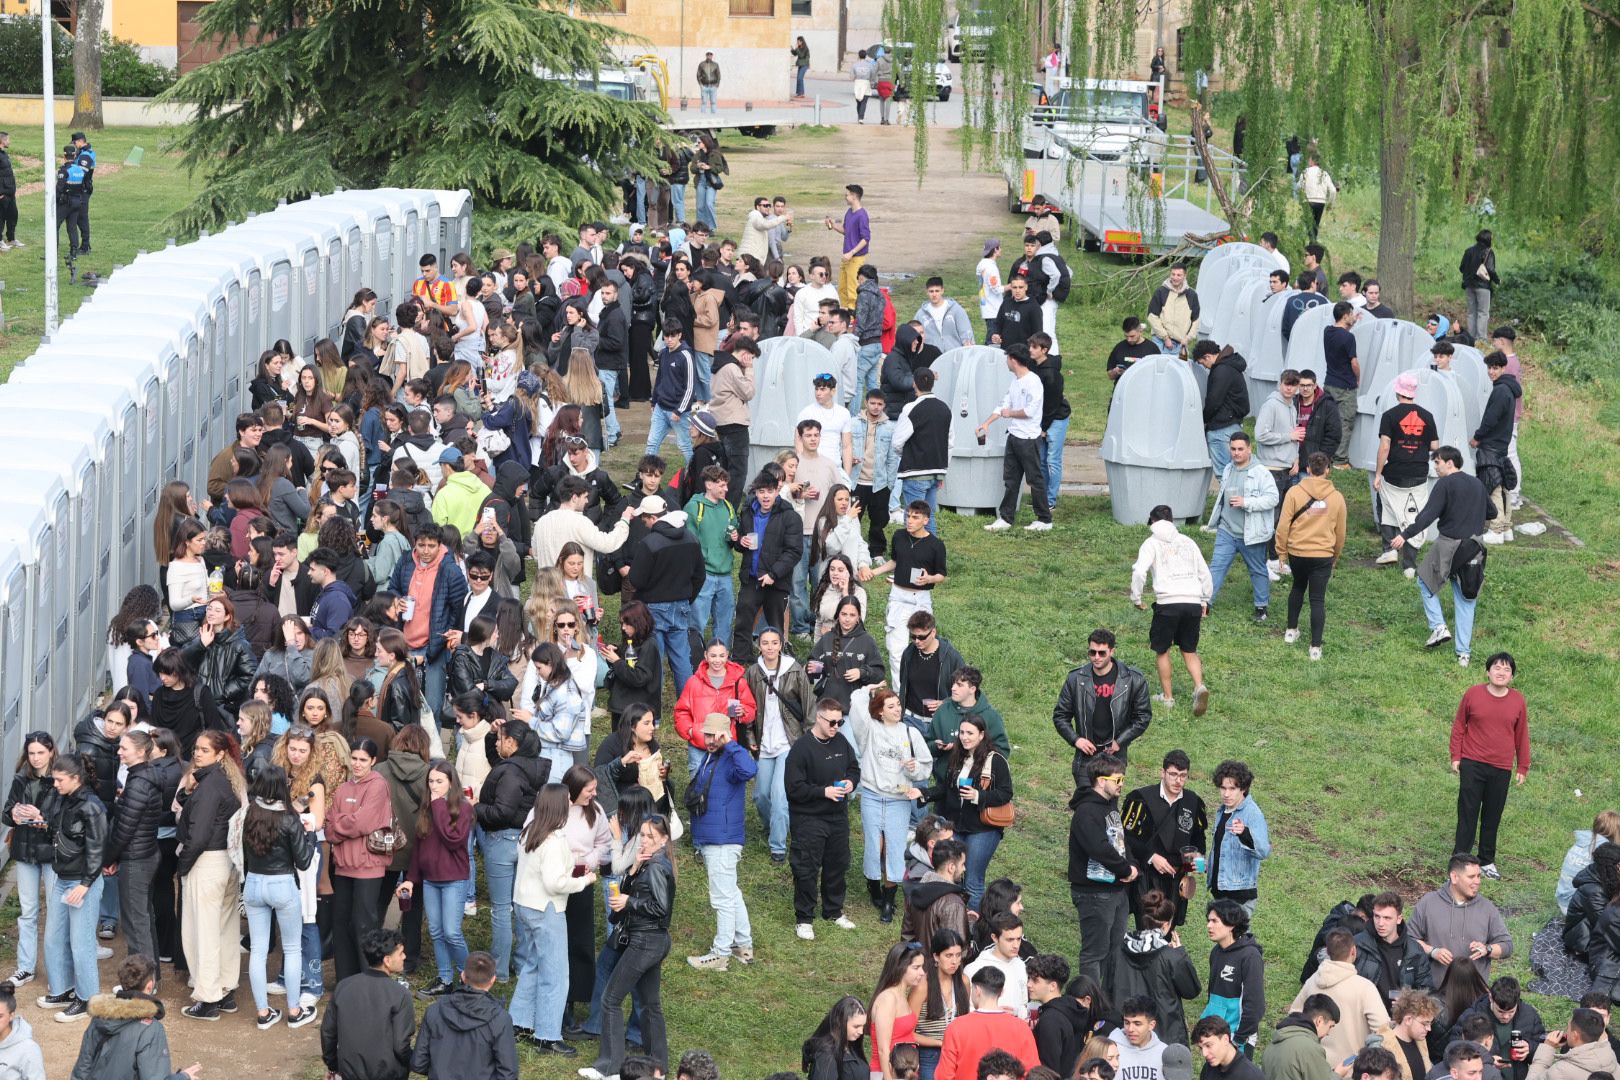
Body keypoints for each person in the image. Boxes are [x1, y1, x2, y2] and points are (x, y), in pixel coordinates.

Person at [583, 814, 674, 1080]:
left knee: (610, 1000)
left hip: (645, 942)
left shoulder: (657, 866)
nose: (644, 841)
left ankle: (610, 1068)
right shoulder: (649, 863)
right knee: (650, 1004)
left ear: (664, 839)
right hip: (651, 941)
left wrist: (629, 902)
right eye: (643, 835)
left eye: (651, 837)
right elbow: (632, 892)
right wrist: (633, 869)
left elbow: (660, 908)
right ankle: (658, 1068)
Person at [1388, 447, 1490, 666]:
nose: (1435, 467)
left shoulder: (1445, 484)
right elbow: (1492, 512)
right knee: (1466, 599)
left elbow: (1428, 515)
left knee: (1425, 582)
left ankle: (1438, 627)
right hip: (1474, 547)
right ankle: (1464, 654)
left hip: (1448, 545)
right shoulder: (1478, 484)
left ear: (1450, 463)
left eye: (1437, 462)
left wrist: (1405, 536)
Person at [35, 753, 108, 1021]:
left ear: (76, 779)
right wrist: (40, 820)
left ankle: (87, 998)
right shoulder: (61, 798)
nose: (55, 784)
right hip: (62, 878)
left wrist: (87, 883)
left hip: (81, 882)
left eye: (60, 780)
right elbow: (56, 830)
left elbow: (98, 849)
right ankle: (63, 988)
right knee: (54, 938)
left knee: (82, 943)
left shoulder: (92, 806)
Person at [685, 714, 759, 971]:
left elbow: (751, 770)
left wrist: (730, 744)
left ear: (725, 735)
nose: (710, 740)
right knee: (731, 892)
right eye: (708, 735)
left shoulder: (731, 756)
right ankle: (743, 945)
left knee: (722, 899)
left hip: (722, 841)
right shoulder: (710, 757)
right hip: (714, 837)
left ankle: (720, 954)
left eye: (715, 735)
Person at [785, 697, 863, 940]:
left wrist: (851, 781)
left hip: (837, 816)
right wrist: (823, 792)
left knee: (837, 863)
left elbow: (854, 767)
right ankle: (804, 918)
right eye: (832, 722)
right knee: (806, 867)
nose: (836, 727)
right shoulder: (801, 748)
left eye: (840, 722)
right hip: (809, 818)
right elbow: (794, 788)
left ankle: (833, 911)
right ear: (818, 718)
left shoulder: (841, 741)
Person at [1450, 656, 1530, 879]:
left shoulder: (1518, 701)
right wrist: (1456, 755)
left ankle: (1486, 861)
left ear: (1512, 676)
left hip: (1501, 767)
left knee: (1492, 815)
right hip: (1472, 763)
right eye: (1497, 667)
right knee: (1468, 812)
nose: (1501, 672)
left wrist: (1522, 766)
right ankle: (1460, 859)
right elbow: (1459, 726)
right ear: (1488, 671)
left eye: (1506, 669)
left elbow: (1522, 735)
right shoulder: (1473, 694)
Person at [1130, 507, 1213, 713]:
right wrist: (1204, 599)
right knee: (1189, 650)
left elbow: (1140, 572)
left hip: (1168, 604)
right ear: (1172, 520)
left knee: (1162, 650)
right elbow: (1205, 573)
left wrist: (1136, 598)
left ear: (1152, 521)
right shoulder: (1188, 542)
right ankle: (1199, 687)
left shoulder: (1150, 543)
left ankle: (1168, 698)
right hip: (1193, 602)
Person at [325, 738, 395, 985]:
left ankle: (368, 980)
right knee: (341, 923)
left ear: (373, 761)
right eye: (354, 758)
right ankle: (345, 981)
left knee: (364, 924)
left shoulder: (378, 785)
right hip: (343, 865)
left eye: (363, 760)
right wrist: (347, 822)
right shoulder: (343, 788)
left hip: (368, 867)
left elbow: (363, 822)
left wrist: (342, 824)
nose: (357, 764)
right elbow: (329, 825)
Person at [1052, 629, 1153, 792]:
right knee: (1085, 805)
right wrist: (1077, 740)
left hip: (1116, 757)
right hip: (1085, 756)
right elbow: (1060, 715)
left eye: (1101, 653)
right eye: (1092, 652)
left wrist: (1120, 741)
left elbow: (1143, 716)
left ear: (1112, 651)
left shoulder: (1133, 679)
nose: (1096, 657)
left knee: (1110, 804)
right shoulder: (1076, 679)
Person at [70, 954, 200, 1080]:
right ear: (150, 986)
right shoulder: (151, 1029)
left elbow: (82, 1069)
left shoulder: (100, 1017)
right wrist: (182, 1077)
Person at [1069, 754, 1138, 989]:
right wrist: (1124, 868)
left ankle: (1109, 1002)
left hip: (1117, 891)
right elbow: (1098, 848)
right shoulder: (1086, 811)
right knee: (1094, 953)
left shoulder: (1110, 808)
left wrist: (1132, 866)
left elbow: (1120, 842)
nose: (1121, 785)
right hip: (1093, 893)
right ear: (1101, 780)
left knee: (1115, 951)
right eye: (1117, 780)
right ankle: (1089, 1003)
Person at [1121, 750, 1208, 928]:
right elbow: (1125, 836)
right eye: (1173, 774)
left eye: (1183, 776)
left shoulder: (1193, 802)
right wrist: (1152, 857)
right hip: (1147, 876)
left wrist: (1198, 856)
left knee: (1169, 928)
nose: (1178, 781)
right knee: (1148, 928)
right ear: (1163, 773)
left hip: (1176, 877)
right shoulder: (1140, 799)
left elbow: (1199, 836)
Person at [1274, 452, 1348, 658]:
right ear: (1327, 471)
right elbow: (1340, 532)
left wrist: (1281, 552)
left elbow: (1282, 525)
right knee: (1317, 600)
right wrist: (1335, 556)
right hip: (1323, 554)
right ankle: (1315, 648)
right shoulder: (1337, 498)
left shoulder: (1294, 492)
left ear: (1307, 469)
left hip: (1297, 552)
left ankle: (1291, 631)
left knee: (1297, 588)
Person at [320, 927, 417, 1080]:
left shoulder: (343, 987)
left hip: (350, 1073)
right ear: (387, 960)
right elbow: (401, 1046)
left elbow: (328, 1033)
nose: (404, 956)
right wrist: (418, 1063)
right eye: (400, 953)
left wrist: (333, 1066)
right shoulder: (400, 994)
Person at [730, 472, 804, 662]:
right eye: (761, 491)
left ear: (777, 492)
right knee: (743, 621)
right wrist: (741, 541)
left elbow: (794, 551)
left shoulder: (790, 516)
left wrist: (774, 574)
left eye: (769, 492)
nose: (765, 496)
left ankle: (776, 663)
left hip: (776, 581)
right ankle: (740, 659)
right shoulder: (747, 512)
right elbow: (740, 541)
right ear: (755, 492)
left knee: (776, 624)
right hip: (752, 578)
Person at [410, 950, 518, 1080]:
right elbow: (508, 1073)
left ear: (462, 975)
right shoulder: (501, 1020)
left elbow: (419, 1063)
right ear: (493, 980)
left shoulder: (435, 1010)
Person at [1408, 853, 1513, 984]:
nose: (1477, 881)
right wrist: (1433, 951)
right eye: (1471, 877)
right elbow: (1409, 939)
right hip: (1435, 993)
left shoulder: (1487, 908)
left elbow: (1507, 946)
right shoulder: (1428, 903)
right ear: (1454, 877)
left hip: (1474, 995)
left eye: (1479, 876)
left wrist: (1488, 949)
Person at [1206, 433, 1279, 622]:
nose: (1236, 453)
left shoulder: (1261, 472)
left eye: (1240, 449)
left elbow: (1273, 498)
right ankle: (1205, 604)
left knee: (1257, 570)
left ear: (1249, 449)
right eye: (1233, 449)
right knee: (1216, 567)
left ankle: (1261, 608)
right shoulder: (1228, 468)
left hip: (1251, 534)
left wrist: (1247, 502)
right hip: (1227, 530)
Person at [1291, 927, 1392, 1063]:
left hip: (1314, 1065)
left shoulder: (1313, 981)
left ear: (1327, 951)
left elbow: (1294, 1017)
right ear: (1353, 951)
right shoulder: (1365, 988)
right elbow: (1383, 1030)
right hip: (1350, 1069)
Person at [978, 344, 1052, 532]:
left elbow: (1029, 411)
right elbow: (1004, 404)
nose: (1006, 362)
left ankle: (1044, 519)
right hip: (1014, 436)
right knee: (1011, 479)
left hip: (1028, 438)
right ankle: (1006, 517)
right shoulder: (1015, 381)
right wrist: (987, 423)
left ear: (1013, 359)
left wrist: (1009, 413)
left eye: (1007, 358)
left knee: (1034, 479)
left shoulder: (1033, 381)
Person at [1115, 890, 1201, 1048]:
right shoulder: (1171, 956)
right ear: (1167, 924)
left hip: (1127, 1035)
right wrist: (1180, 954)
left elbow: (1107, 990)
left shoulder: (1118, 952)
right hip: (1166, 1039)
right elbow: (1192, 990)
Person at [1374, 373, 1440, 574]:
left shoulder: (1390, 416)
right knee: (1415, 515)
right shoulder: (1427, 416)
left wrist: (1378, 473)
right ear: (1413, 393)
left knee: (1386, 506)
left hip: (1394, 472)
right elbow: (1435, 446)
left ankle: (1389, 550)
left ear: (1397, 391)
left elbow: (1385, 446)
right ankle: (1410, 565)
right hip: (1419, 473)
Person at [933, 967, 1041, 1080]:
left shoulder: (956, 1027)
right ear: (1001, 992)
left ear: (977, 990)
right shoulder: (1021, 1027)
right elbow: (1033, 1072)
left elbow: (944, 1075)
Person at [1206, 761, 1270, 915]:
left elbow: (1264, 851)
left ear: (1243, 788)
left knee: (1236, 939)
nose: (1226, 794)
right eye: (1223, 788)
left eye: (1232, 788)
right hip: (1219, 894)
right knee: (1221, 939)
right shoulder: (1222, 811)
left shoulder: (1252, 813)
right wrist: (1207, 866)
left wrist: (1244, 833)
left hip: (1239, 898)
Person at [1474, 353, 1521, 545]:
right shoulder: (1508, 388)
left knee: (1492, 485)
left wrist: (1478, 437)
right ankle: (1507, 528)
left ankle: (1496, 529)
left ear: (1503, 368)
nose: (1491, 372)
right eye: (1489, 368)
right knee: (1502, 486)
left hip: (1491, 444)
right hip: (1501, 443)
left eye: (1495, 368)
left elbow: (1490, 419)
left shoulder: (1501, 390)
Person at [1456, 978, 1544, 1080]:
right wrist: (1487, 1061)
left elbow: (1543, 1045)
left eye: (1511, 1012)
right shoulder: (1471, 1017)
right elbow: (1455, 1050)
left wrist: (1530, 1048)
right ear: (1490, 998)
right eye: (1500, 1011)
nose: (1506, 1017)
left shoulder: (1529, 1014)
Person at [1355, 893, 1436, 1004]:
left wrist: (1409, 1001)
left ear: (1399, 919)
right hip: (1365, 1016)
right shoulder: (1358, 944)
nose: (1380, 923)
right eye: (1377, 916)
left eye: (1387, 918)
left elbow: (1426, 991)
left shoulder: (1414, 950)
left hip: (1401, 1017)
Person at [1195, 342, 1250, 473]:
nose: (1206, 367)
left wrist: (1203, 419)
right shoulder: (1231, 366)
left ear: (1207, 356)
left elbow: (1214, 401)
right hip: (1234, 423)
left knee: (1224, 474)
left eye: (1203, 363)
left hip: (1220, 428)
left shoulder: (1220, 370)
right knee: (1236, 472)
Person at [1260, 994, 1343, 1080]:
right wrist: (1338, 1074)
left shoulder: (1272, 1045)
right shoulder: (1309, 1048)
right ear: (1319, 1021)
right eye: (1330, 1026)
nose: (1328, 1033)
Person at [1321, 303, 1361, 466]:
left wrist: (1353, 323)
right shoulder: (1349, 338)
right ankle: (1340, 460)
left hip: (1329, 383)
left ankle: (1326, 455)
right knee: (1345, 422)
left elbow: (1341, 338)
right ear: (1345, 316)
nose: (1353, 317)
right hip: (1345, 386)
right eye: (1351, 314)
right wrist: (1357, 377)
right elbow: (1354, 363)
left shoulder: (1327, 331)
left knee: (1329, 421)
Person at [1524, 1009, 1616, 1080]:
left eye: (1568, 1028)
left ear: (1575, 1035)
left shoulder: (1561, 1071)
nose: (1566, 1031)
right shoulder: (1610, 1057)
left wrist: (1548, 1047)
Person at [1376, 990, 1441, 1080]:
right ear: (1408, 1020)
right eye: (1425, 1023)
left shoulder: (1420, 1040)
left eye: (1430, 1023)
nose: (1429, 1029)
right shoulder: (1382, 1048)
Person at [803, 995, 870, 1080]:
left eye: (862, 1026)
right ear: (840, 1022)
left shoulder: (851, 1044)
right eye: (856, 1026)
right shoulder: (826, 1056)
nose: (861, 1031)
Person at [828, 185, 872, 309]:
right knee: (842, 288)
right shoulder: (849, 212)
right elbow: (846, 230)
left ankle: (853, 316)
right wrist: (833, 225)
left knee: (852, 289)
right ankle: (844, 313)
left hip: (855, 257)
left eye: (847, 194)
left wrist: (851, 252)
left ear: (854, 196)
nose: (845, 197)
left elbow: (866, 239)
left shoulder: (862, 215)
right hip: (847, 257)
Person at [1194, 1016, 1267, 1080]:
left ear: (1225, 1039)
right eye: (1201, 1048)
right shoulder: (1208, 1069)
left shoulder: (1253, 1076)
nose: (1204, 1053)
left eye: (1208, 1045)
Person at [1147, 267, 1200, 355]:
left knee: (1179, 368)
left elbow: (1196, 320)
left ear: (1185, 276)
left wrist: (1188, 338)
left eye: (1179, 275)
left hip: (1181, 344)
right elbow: (1152, 316)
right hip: (1160, 341)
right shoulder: (1160, 292)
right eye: (1173, 274)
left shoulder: (1192, 295)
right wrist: (1165, 338)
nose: (1175, 278)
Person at [1459, 232, 1499, 343]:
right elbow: (1490, 269)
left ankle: (1471, 338)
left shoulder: (1468, 251)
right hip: (1483, 286)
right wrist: (1497, 280)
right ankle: (1481, 339)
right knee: (1483, 313)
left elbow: (1462, 268)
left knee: (1471, 312)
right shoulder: (1488, 252)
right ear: (1488, 239)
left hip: (1469, 285)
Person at [1299, 155, 1338, 241]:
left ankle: (1311, 245)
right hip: (1320, 202)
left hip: (1308, 201)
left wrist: (1301, 198)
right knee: (1315, 225)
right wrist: (1330, 203)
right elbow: (1333, 191)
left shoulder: (1305, 172)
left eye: (1309, 159)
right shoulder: (1324, 173)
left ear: (1312, 161)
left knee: (1309, 225)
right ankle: (1313, 244)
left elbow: (1299, 187)